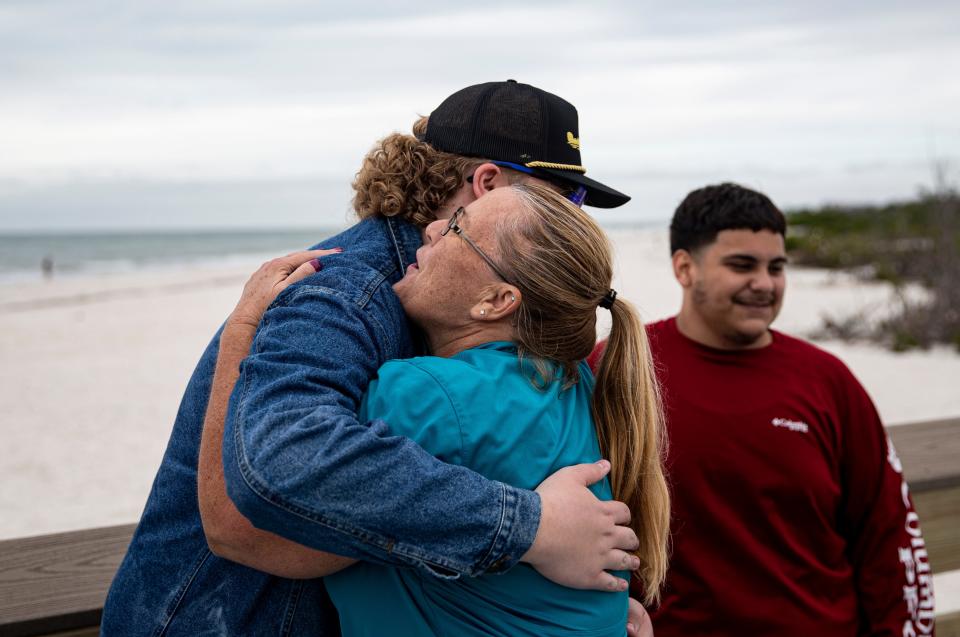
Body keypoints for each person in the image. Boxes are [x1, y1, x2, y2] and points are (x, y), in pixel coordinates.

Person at [102, 81, 646, 636]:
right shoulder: (344, 293)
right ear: (487, 186)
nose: (576, 221)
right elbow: (251, 512)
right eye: (565, 199)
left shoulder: (456, 309)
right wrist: (529, 528)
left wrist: (561, 607)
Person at [206, 183, 670, 636]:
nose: (430, 229)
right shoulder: (570, 379)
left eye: (456, 229)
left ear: (496, 301)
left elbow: (242, 525)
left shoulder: (426, 395)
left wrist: (244, 326)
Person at [592, 182, 935, 636]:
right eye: (742, 265)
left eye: (777, 267)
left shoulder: (827, 381)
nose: (765, 284)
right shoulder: (618, 364)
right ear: (684, 267)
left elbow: (890, 538)